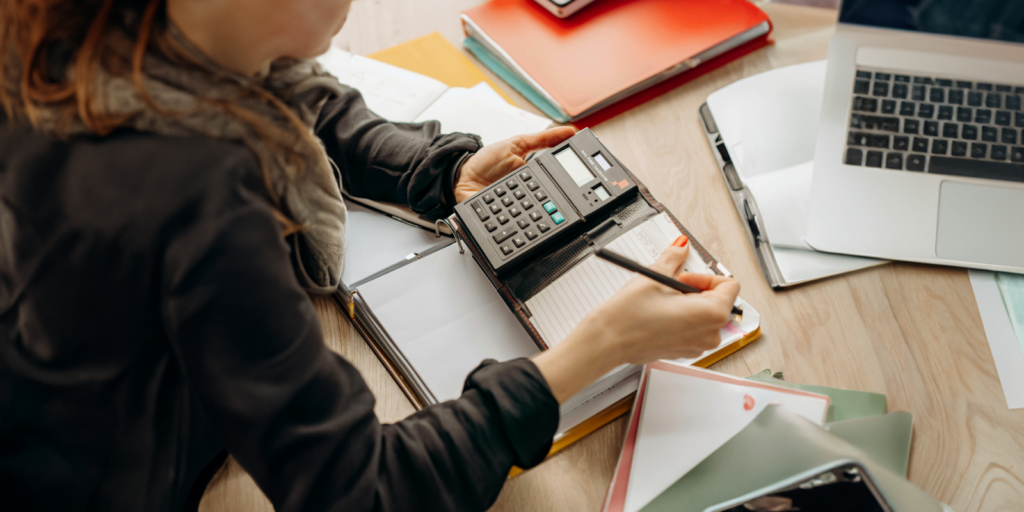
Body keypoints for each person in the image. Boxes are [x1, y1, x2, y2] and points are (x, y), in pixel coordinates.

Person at [0, 0, 740, 511]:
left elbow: (293, 90)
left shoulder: (81, 38)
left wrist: (438, 170)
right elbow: (361, 491)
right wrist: (595, 351)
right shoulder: (190, 189)